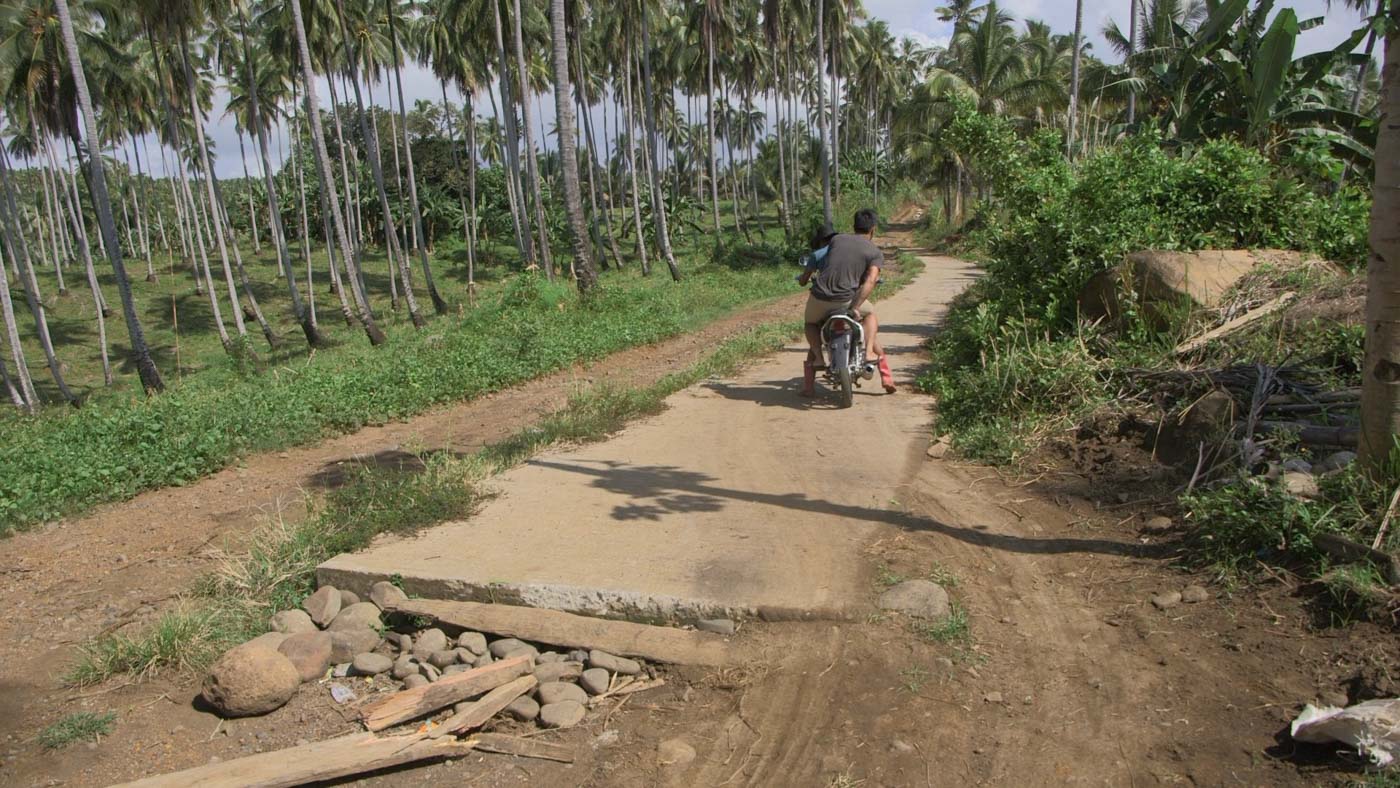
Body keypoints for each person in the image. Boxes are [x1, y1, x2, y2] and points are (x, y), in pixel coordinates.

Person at [801, 209, 896, 397]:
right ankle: (870, 354)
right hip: (846, 300)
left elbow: (827, 262)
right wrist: (854, 307)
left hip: (820, 297)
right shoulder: (875, 252)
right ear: (873, 229)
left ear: (854, 226)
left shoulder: (837, 240)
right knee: (870, 316)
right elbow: (870, 281)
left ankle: (819, 358)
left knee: (811, 323)